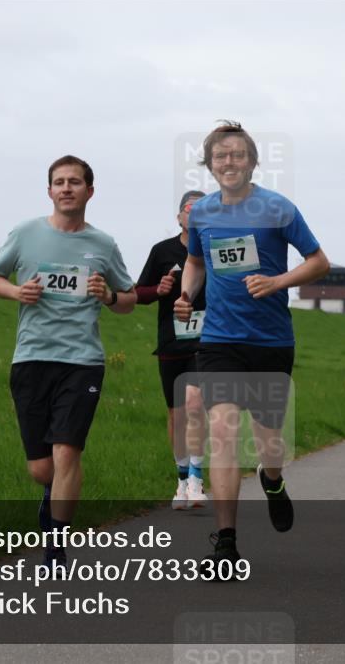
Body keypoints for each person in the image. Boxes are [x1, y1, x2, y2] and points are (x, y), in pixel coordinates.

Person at [174, 120, 329, 569]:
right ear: (210, 164)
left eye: (237, 154)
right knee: (221, 430)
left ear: (253, 161)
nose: (229, 162)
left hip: (271, 340)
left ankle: (273, 480)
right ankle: (225, 542)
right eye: (221, 155)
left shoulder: (278, 208)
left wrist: (279, 280)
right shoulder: (202, 212)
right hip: (220, 339)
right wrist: (186, 296)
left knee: (269, 446)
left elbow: (319, 261)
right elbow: (194, 261)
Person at [0, 155, 136, 570]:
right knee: (42, 469)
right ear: (49, 191)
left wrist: (107, 296)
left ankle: (55, 543)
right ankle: (51, 499)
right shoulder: (26, 233)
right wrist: (16, 293)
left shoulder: (103, 245)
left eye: (75, 182)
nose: (67, 188)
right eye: (59, 182)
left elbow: (129, 300)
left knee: (67, 452)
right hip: (32, 357)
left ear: (90, 191)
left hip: (82, 361)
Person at [136, 190, 208, 510]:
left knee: (195, 404)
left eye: (202, 210)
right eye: (188, 210)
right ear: (179, 216)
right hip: (171, 341)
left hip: (207, 342)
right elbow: (138, 293)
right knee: (176, 414)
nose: (194, 215)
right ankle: (181, 480)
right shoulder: (162, 251)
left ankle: (196, 476)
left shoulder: (214, 250)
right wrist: (158, 289)